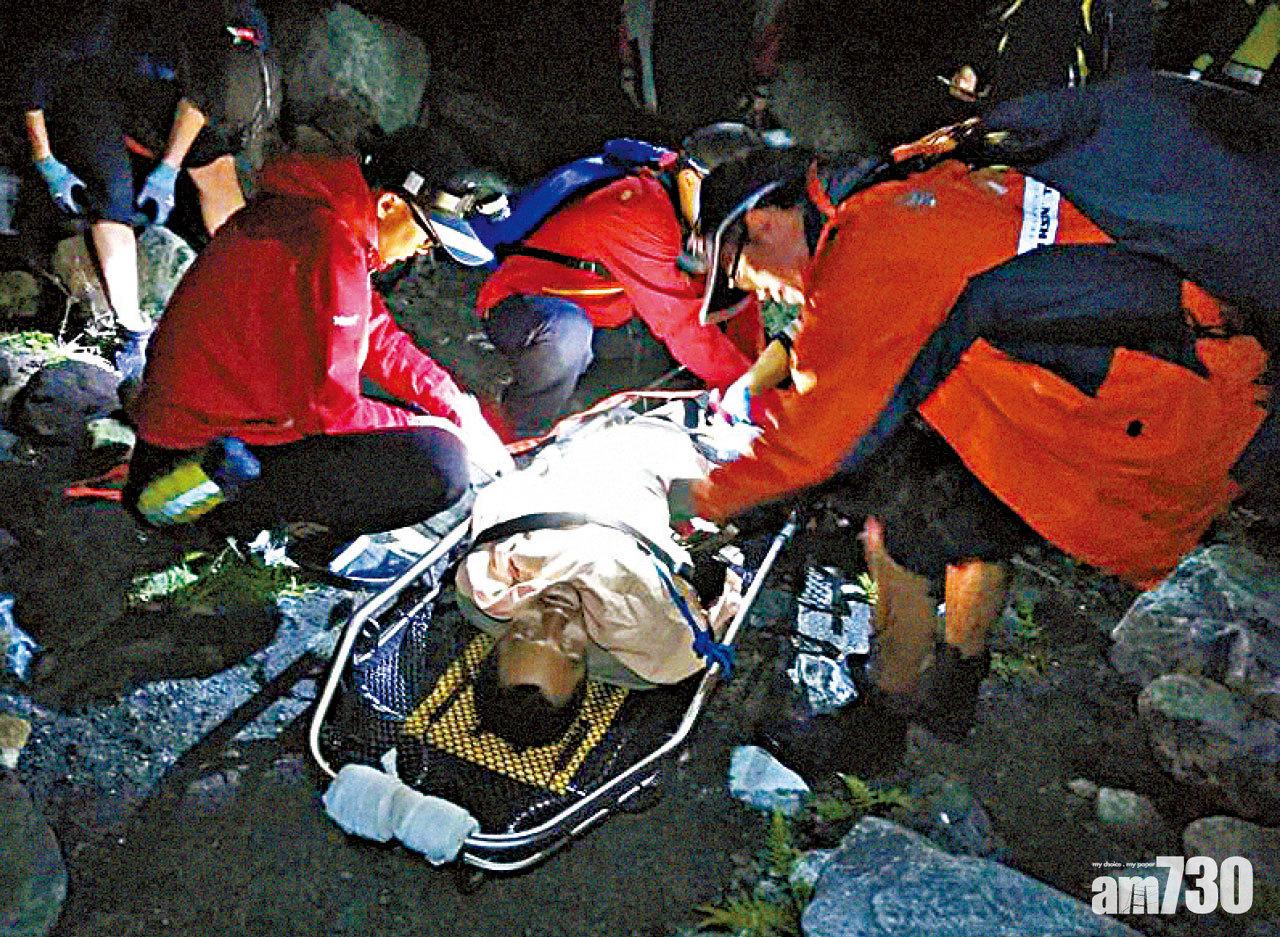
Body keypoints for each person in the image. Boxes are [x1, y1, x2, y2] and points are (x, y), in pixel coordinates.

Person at [669, 87, 1273, 779]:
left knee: (898, 535)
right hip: (1150, 359)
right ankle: (955, 682)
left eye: (742, 275)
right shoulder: (905, 178)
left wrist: (699, 498)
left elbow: (825, 443)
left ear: (766, 222)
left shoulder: (876, 243)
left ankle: (881, 725)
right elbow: (865, 334)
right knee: (963, 500)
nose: (758, 293)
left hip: (1156, 407)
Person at [122, 142, 513, 570]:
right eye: (426, 235)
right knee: (440, 465)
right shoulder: (330, 246)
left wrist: (455, 404)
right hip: (198, 454)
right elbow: (330, 411)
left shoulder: (315, 217)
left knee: (422, 423)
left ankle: (267, 513)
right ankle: (245, 526)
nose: (423, 250)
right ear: (388, 205)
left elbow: (377, 335)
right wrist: (439, 428)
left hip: (197, 420)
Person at [20, 0, 275, 381]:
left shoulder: (236, 22)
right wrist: (45, 160)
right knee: (113, 195)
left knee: (216, 164)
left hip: (156, 89)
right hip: (87, 83)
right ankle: (132, 333)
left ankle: (256, 293)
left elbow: (203, 97)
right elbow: (35, 80)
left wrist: (170, 167)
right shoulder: (90, 26)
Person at [456, 414, 741, 749]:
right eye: (570, 649)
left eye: (526, 632)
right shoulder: (651, 633)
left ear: (499, 637)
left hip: (603, 443)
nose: (555, 617)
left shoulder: (488, 576)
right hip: (662, 455)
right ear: (587, 668)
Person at [473, 122, 766, 439]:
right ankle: (515, 431)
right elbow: (680, 325)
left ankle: (574, 395)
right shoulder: (639, 210)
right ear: (690, 180)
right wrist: (753, 393)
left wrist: (760, 373)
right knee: (567, 335)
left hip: (603, 315)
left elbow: (734, 292)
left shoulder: (682, 188)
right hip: (524, 305)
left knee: (660, 366)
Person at [944, 0, 1154, 107]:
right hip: (1004, 117)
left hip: (1065, 131)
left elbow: (1127, 74)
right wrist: (973, 69)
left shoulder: (1122, 8)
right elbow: (998, 24)